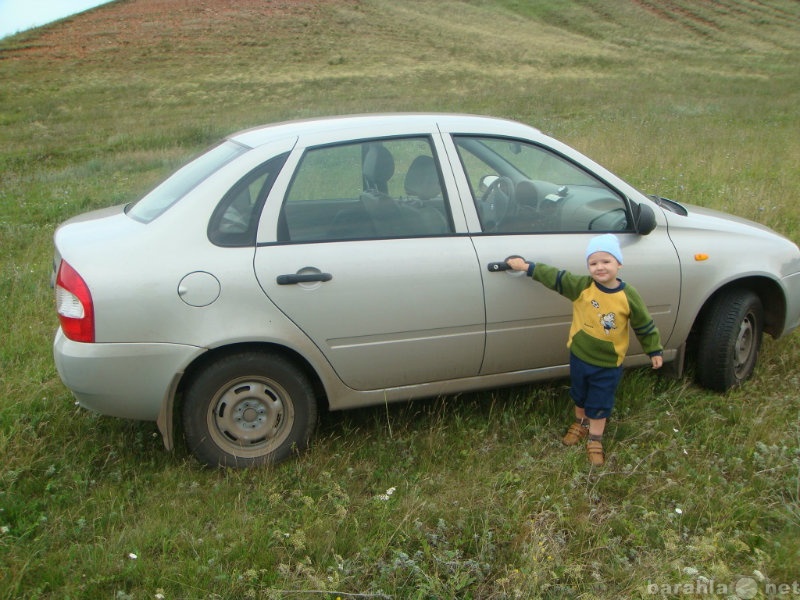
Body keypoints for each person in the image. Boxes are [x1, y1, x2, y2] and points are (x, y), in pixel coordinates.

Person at [506, 234, 663, 466]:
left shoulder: (628, 295)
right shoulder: (582, 287)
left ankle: (595, 438)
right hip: (580, 356)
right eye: (593, 263)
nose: (600, 267)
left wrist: (654, 350)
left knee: (599, 401)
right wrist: (526, 267)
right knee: (579, 395)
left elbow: (644, 324)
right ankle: (581, 424)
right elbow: (555, 277)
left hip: (608, 363)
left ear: (619, 263)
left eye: (606, 261)